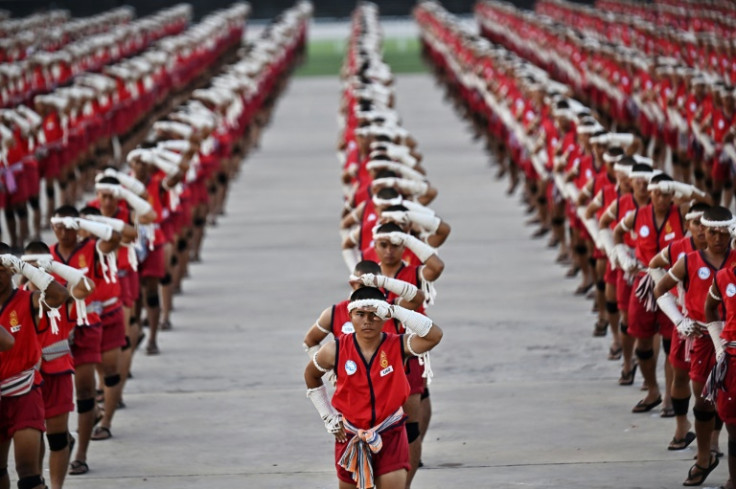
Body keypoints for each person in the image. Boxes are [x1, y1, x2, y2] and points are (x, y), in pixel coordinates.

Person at [304, 286, 443, 489]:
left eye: (374, 314)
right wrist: (327, 416)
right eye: (360, 314)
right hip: (350, 435)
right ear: (350, 315)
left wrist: (395, 310)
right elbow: (310, 375)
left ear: (385, 316)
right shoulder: (334, 349)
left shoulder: (398, 345)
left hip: (391, 434)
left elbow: (434, 335)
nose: (367, 321)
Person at [654, 206, 735, 485]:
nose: (716, 238)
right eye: (712, 231)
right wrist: (678, 320)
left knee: (728, 403)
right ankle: (705, 456)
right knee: (703, 400)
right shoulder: (688, 260)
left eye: (723, 233)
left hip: (731, 340)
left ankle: (715, 445)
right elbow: (659, 289)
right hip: (700, 338)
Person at [21, 241, 95, 489]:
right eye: (29, 264)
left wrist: (54, 266)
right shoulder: (17, 296)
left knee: (55, 439)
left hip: (57, 373)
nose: (35, 268)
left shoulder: (63, 292)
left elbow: (87, 286)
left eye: (39, 262)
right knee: (34, 435)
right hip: (27, 379)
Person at [0, 242, 70, 489]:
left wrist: (23, 267)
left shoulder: (27, 299)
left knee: (28, 473)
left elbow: (60, 296)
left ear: (10, 270)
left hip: (24, 392)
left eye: (1, 268)